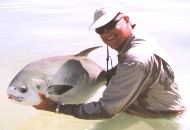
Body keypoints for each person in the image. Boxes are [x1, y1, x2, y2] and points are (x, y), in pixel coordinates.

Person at [33, 3, 186, 119]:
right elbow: (126, 72)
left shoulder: (137, 58)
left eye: (111, 25)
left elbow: (106, 110)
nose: (106, 33)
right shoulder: (139, 37)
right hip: (148, 109)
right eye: (100, 30)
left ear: (126, 19)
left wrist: (56, 108)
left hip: (158, 117)